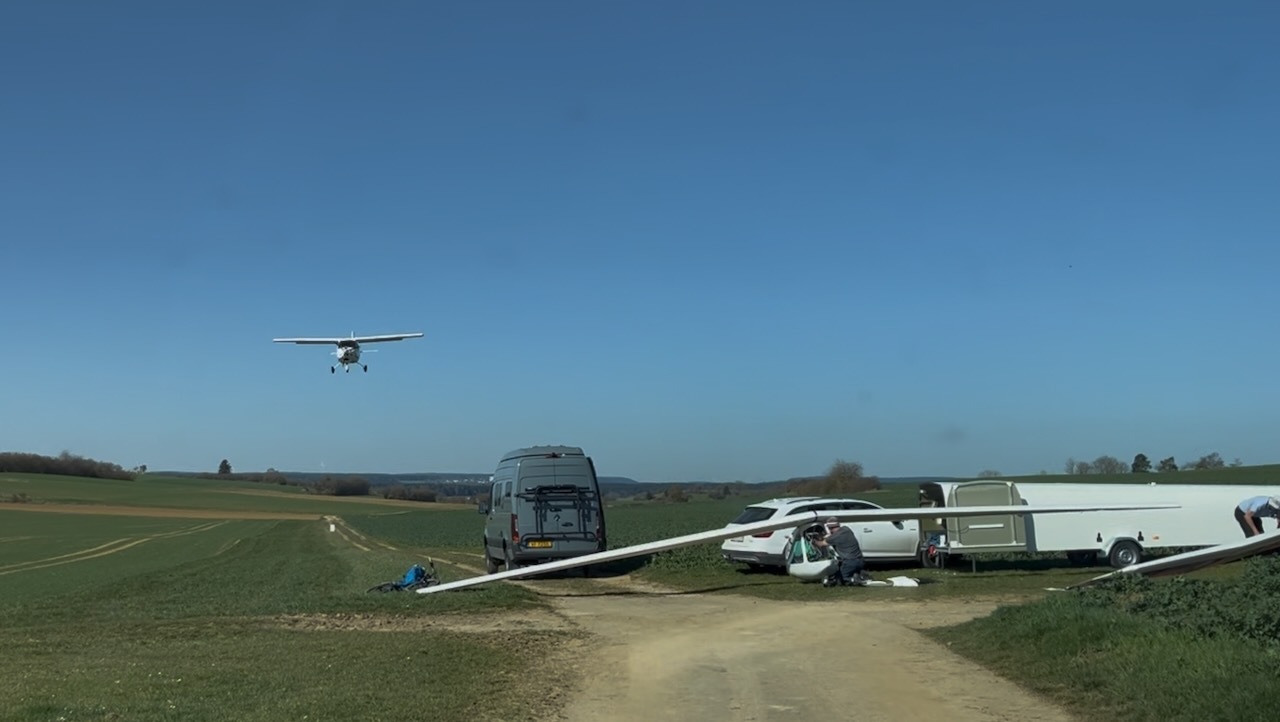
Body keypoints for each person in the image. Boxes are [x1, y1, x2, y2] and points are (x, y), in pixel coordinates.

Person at [812, 517, 866, 586]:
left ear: (829, 528)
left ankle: (853, 579)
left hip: (849, 562)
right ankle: (860, 575)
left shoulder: (834, 537)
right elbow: (831, 537)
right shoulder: (846, 529)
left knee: (841, 579)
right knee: (840, 572)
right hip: (860, 560)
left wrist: (814, 540)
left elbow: (821, 544)